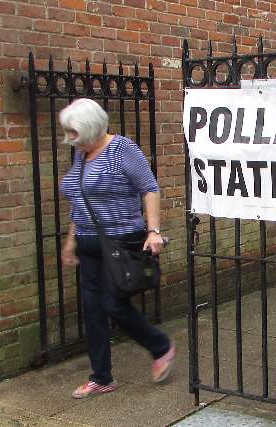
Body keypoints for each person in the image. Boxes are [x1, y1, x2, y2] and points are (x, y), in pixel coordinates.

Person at [59, 98, 175, 399]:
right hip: (88, 242)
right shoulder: (81, 154)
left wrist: (153, 231)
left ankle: (160, 346)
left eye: (74, 133)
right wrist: (71, 240)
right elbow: (80, 198)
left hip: (121, 240)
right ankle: (101, 377)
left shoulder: (122, 149)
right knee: (93, 310)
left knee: (114, 305)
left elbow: (149, 188)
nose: (70, 139)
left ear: (91, 127)